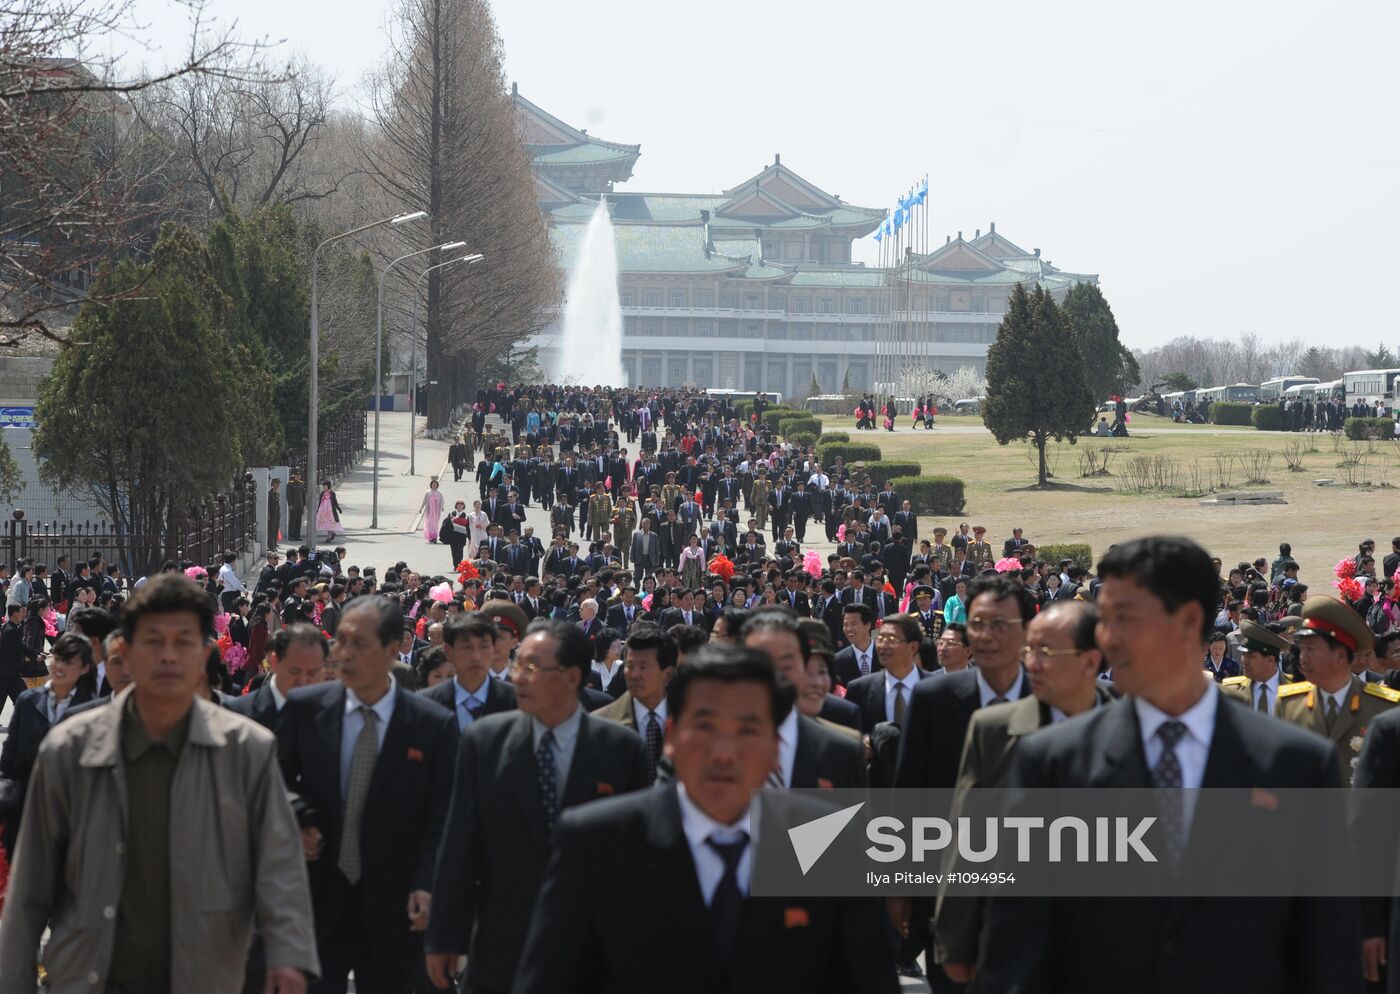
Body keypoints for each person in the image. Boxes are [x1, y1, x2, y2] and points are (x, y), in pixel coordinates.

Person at [975, 536, 1358, 994]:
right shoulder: (1054, 764)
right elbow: (1016, 948)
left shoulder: (1295, 767)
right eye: (1103, 619)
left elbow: (1326, 950)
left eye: (1125, 619)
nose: (1107, 638)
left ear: (1190, 620)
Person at [511, 645, 899, 994]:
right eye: (706, 727)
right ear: (673, 734)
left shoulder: (831, 843)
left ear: (776, 748)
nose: (724, 753)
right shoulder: (597, 843)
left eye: (748, 730)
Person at [0, 573, 319, 994]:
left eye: (183, 642)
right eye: (153, 642)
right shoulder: (69, 750)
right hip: (88, 975)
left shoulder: (246, 750)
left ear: (205, 653)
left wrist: (290, 957)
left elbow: (280, 868)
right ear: (125, 652)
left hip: (206, 975)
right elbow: (30, 890)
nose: (168, 656)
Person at [424, 619, 650, 994]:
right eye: (517, 666)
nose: (517, 678)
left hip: (593, 948)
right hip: (503, 943)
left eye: (531, 669)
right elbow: (460, 843)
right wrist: (445, 936)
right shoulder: (486, 742)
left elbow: (638, 857)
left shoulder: (622, 749)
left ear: (572, 676)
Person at [276, 596, 459, 994]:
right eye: (340, 641)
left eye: (359, 644)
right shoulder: (306, 708)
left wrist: (427, 885)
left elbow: (443, 816)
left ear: (394, 648)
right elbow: (274, 783)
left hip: (395, 908)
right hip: (316, 900)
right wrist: (300, 814)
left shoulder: (433, 726)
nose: (343, 654)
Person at [932, 601, 1114, 984]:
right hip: (1016, 941)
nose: (1031, 663)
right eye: (1029, 650)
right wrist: (955, 941)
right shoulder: (993, 729)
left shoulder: (1136, 722)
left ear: (1090, 660)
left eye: (1045, 653)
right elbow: (967, 843)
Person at [1275, 594, 1400, 785]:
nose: (1302, 658)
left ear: (1341, 656)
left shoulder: (1383, 707)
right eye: (1302, 649)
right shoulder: (1289, 704)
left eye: (1311, 649)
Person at [0, 632, 95, 854]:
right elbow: (10, 753)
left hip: (72, 808)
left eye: (69, 661)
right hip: (26, 803)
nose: (59, 666)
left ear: (84, 668)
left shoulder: (92, 708)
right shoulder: (28, 700)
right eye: (57, 658)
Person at [591, 622, 678, 781]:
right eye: (630, 666)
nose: (635, 674)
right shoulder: (600, 726)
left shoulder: (689, 721)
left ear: (668, 674)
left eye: (644, 667)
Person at [420, 613, 517, 729]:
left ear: (493, 648)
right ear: (448, 651)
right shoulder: (425, 705)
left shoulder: (517, 701)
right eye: (467, 647)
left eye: (483, 646)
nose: (476, 657)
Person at [225, 623, 328, 730]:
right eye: (294, 671)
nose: (302, 681)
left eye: (312, 673)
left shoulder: (332, 715)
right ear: (274, 662)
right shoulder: (239, 713)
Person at [1218, 619, 1292, 715]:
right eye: (1243, 654)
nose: (1244, 661)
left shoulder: (1295, 690)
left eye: (1251, 656)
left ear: (1270, 660)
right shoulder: (1231, 691)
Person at [421, 478, 445, 544]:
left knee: (435, 524)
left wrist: (442, 507)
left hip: (436, 512)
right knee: (429, 524)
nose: (434, 485)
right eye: (433, 484)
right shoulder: (428, 493)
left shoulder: (439, 493)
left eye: (435, 484)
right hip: (429, 512)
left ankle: (434, 537)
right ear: (431, 485)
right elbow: (424, 501)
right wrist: (421, 508)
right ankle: (430, 537)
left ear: (437, 485)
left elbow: (442, 501)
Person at [269, 476, 284, 548]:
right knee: (272, 530)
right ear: (273, 484)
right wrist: (269, 514)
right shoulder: (270, 493)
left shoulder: (276, 493)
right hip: (272, 514)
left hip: (277, 514)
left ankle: (274, 543)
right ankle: (271, 545)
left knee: (276, 529)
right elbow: (269, 505)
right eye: (276, 484)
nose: (278, 485)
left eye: (278, 484)